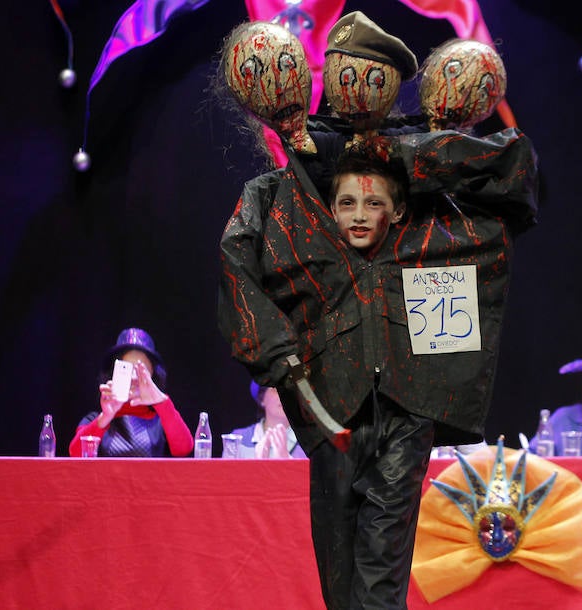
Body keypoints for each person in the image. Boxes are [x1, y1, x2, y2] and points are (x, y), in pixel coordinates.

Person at [216, 13, 538, 610]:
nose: (360, 213)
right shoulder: (286, 189)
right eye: (348, 203)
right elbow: (240, 272)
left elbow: (513, 174)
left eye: (371, 203)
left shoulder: (422, 180)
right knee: (339, 578)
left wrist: (413, 149)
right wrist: (282, 361)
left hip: (405, 404)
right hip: (329, 405)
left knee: (381, 574)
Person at [69, 328, 194, 457]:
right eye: (127, 368)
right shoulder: (95, 419)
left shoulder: (162, 421)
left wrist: (161, 401)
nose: (134, 377)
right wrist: (105, 418)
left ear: (152, 374)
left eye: (141, 369)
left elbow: (184, 449)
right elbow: (76, 455)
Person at [230, 382, 307, 459]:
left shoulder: (309, 440)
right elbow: (225, 470)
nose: (284, 397)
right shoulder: (238, 439)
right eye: (276, 390)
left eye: (289, 391)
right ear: (261, 398)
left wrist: (286, 461)